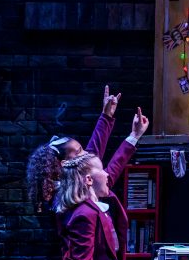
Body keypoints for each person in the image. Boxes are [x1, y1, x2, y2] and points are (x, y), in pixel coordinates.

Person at [55, 107, 157, 260]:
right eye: (78, 152)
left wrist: (130, 133)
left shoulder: (95, 199)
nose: (108, 174)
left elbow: (107, 166)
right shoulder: (82, 211)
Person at [27, 85, 122, 213]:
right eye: (79, 152)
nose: (87, 154)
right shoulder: (70, 197)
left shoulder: (71, 186)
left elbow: (93, 153)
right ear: (65, 163)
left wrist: (106, 116)